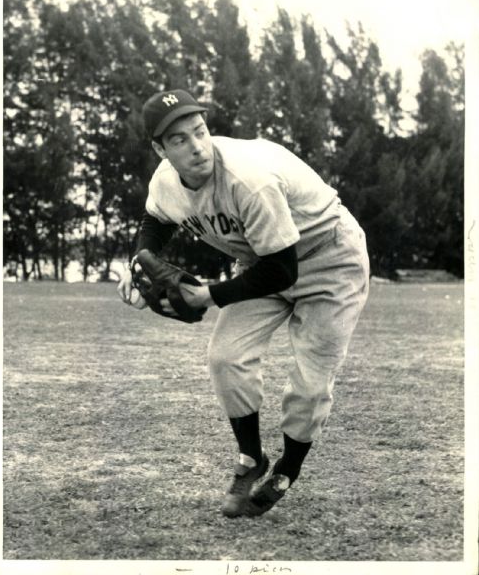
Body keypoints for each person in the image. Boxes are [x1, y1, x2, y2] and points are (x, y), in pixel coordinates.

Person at [117, 89, 370, 518]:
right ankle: (252, 459)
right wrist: (138, 265)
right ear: (161, 149)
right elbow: (155, 221)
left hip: (331, 258)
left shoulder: (248, 179)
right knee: (226, 356)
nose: (196, 146)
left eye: (199, 131)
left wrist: (210, 295)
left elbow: (283, 271)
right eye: (179, 140)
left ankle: (288, 468)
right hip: (262, 260)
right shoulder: (165, 180)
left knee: (309, 383)